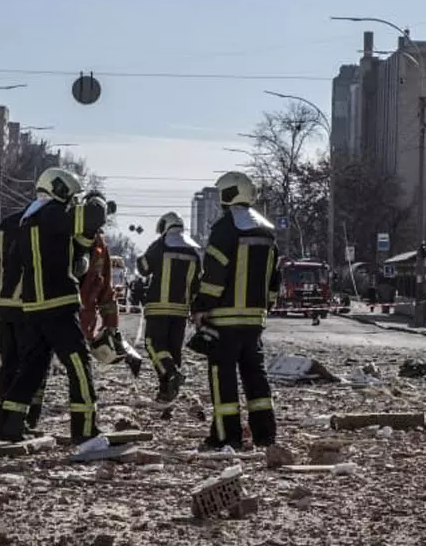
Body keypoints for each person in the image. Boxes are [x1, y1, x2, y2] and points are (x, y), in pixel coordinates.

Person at [0, 167, 109, 443]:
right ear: (60, 190)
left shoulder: (26, 221)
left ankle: (10, 424)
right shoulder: (55, 213)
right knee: (78, 365)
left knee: (32, 368)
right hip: (59, 304)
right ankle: (85, 430)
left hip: (33, 307)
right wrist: (98, 201)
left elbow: (76, 246)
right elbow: (92, 216)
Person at [191, 171, 280, 451]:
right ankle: (265, 435)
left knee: (223, 379)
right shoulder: (267, 230)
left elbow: (214, 274)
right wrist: (267, 305)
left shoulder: (225, 227)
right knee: (256, 379)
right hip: (255, 320)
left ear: (228, 194)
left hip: (224, 320)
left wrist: (201, 306)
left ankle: (225, 436)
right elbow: (274, 278)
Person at [137, 211, 201, 403]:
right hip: (181, 310)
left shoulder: (160, 246)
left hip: (158, 307)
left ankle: (172, 375)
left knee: (153, 344)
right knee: (173, 351)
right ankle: (167, 393)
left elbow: (143, 268)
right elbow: (197, 283)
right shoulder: (193, 252)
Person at [79, 195, 144, 381]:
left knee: (80, 370)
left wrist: (112, 330)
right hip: (55, 318)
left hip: (84, 324)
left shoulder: (100, 247)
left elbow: (106, 294)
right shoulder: (60, 237)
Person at [0, 206, 31, 431]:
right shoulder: (45, 223)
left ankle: (2, 419)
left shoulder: (5, 224)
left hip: (4, 307)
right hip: (31, 308)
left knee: (8, 365)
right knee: (28, 367)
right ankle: (17, 421)